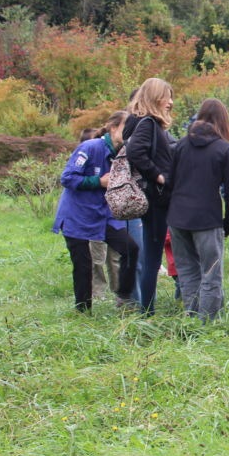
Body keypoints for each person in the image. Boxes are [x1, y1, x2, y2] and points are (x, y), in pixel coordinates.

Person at [53, 111, 138, 312]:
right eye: (125, 127)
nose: (128, 133)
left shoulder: (125, 154)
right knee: (83, 265)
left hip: (103, 215)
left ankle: (124, 296)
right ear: (113, 127)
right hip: (77, 215)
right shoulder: (90, 148)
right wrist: (98, 182)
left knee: (131, 249)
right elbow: (67, 178)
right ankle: (83, 311)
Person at [167, 99, 229, 321]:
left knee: (188, 271)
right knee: (211, 273)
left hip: (178, 217)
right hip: (207, 218)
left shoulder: (180, 145)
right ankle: (207, 323)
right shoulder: (224, 148)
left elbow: (170, 182)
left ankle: (192, 318)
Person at [125, 77, 176, 315]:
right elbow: (136, 152)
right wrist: (159, 176)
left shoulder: (141, 122)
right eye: (167, 96)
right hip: (156, 199)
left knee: (152, 255)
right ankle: (147, 312)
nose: (170, 102)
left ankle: (148, 309)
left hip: (154, 198)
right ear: (156, 97)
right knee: (153, 257)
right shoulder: (147, 123)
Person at [78, 127, 119, 300]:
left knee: (116, 256)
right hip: (94, 213)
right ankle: (98, 292)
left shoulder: (115, 155)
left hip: (114, 212)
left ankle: (121, 292)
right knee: (97, 256)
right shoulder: (86, 159)